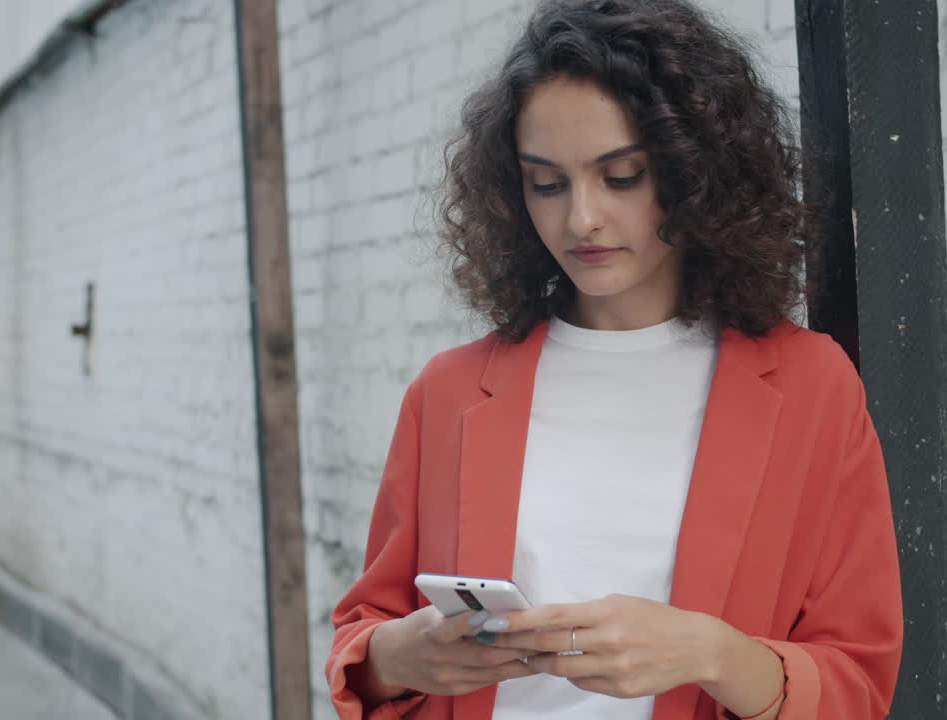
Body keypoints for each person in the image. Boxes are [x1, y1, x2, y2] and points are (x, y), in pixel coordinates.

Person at [325, 1, 903, 718]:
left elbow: (858, 683)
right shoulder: (448, 393)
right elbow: (367, 640)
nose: (581, 219)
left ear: (696, 171)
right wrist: (398, 657)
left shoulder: (811, 387)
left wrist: (711, 653)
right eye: (547, 182)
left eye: (621, 176)